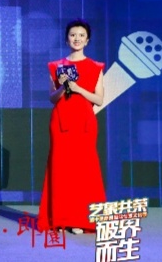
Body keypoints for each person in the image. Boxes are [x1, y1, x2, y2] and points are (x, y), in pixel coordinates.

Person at [38, 19, 106, 234]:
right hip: (61, 121)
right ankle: (59, 218)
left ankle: (79, 219)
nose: (77, 38)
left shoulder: (96, 67)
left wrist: (78, 89)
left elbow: (99, 99)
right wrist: (63, 87)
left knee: (83, 170)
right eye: (73, 35)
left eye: (81, 35)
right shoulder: (56, 66)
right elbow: (52, 97)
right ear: (67, 39)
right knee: (60, 169)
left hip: (84, 122)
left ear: (87, 40)